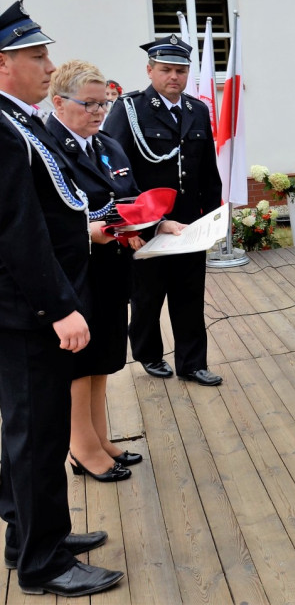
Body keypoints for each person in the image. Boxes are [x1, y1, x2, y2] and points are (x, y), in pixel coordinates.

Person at [0, 0, 123, 596]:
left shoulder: (16, 120)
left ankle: (30, 535)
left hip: (33, 306)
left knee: (33, 433)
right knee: (38, 435)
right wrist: (59, 308)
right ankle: (42, 564)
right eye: (36, 56)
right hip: (28, 313)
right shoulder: (3, 129)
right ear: (3, 64)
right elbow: (18, 232)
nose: (48, 65)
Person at [47, 60, 185, 483]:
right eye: (87, 104)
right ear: (58, 103)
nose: (97, 112)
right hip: (74, 270)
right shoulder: (48, 150)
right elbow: (46, 219)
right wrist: (91, 233)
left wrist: (157, 223)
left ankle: (99, 437)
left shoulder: (108, 145)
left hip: (112, 266)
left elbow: (127, 201)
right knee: (79, 360)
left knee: (104, 354)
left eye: (103, 104)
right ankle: (81, 447)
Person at [103, 34, 223, 386]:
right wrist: (134, 228)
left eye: (181, 70)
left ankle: (192, 363)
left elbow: (207, 171)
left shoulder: (197, 110)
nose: (175, 77)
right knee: (147, 298)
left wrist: (212, 219)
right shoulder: (130, 110)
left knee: (190, 296)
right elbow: (114, 171)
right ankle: (149, 353)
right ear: (150, 70)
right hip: (148, 225)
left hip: (187, 224)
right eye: (167, 69)